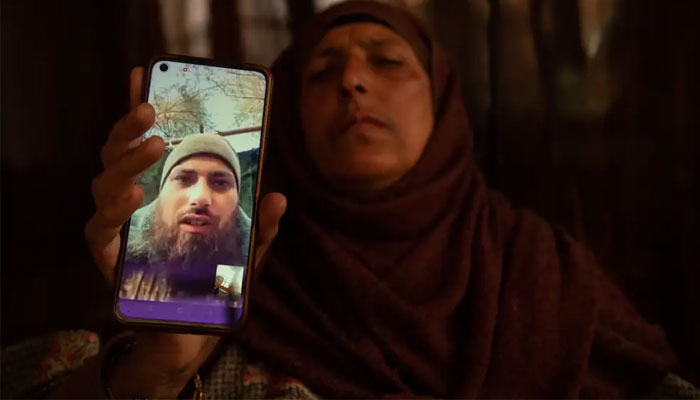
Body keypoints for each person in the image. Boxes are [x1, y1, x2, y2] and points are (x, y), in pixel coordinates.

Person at [54, 1, 696, 398]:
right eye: (323, 73)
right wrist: (163, 370)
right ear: (291, 121)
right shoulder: (227, 276)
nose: (354, 81)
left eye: (386, 61)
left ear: (443, 104)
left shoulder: (542, 265)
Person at [119, 133, 251, 302]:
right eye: (183, 179)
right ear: (161, 193)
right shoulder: (122, 242)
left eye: (220, 183)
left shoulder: (241, 254)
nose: (200, 198)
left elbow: (224, 309)